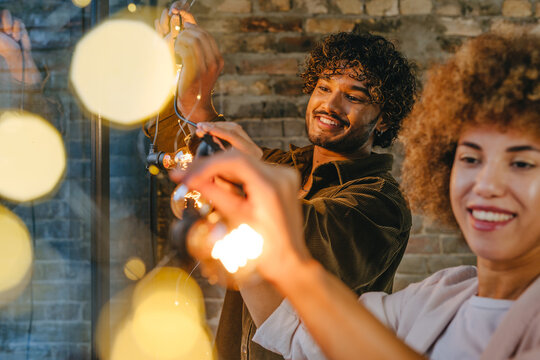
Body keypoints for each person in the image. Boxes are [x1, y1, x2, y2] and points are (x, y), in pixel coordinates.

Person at [175, 29, 540, 359]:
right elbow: (300, 338)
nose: (486, 185)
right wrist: (196, 101)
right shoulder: (440, 296)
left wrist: (257, 191)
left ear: (382, 118)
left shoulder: (380, 203)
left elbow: (308, 232)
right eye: (471, 158)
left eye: (522, 164)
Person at [147, 5, 417, 359]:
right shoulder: (282, 168)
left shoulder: (382, 204)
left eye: (354, 97)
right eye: (323, 88)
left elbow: (302, 241)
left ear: (383, 121)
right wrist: (184, 76)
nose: (330, 104)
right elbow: (180, 137)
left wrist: (250, 168)